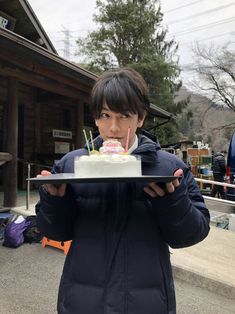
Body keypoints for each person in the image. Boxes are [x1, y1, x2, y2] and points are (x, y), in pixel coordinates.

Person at [36, 68, 210, 314]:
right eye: (105, 115)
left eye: (124, 116)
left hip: (147, 302)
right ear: (95, 118)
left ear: (140, 118)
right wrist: (54, 200)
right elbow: (54, 231)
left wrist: (173, 202)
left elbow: (192, 234)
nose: (113, 127)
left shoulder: (169, 168)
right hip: (83, 301)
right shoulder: (71, 165)